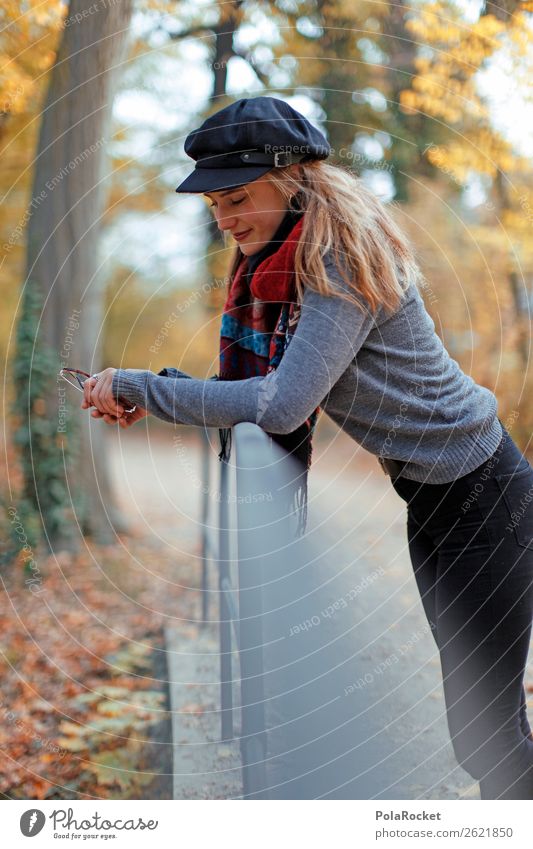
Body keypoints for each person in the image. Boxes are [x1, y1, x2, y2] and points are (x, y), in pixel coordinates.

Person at [82, 95, 533, 800]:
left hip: (487, 498)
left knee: (486, 731)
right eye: (213, 207)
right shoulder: (283, 266)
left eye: (236, 198)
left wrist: (144, 387)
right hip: (435, 503)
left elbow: (281, 401)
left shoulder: (336, 258)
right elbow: (271, 381)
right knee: (484, 726)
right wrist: (165, 387)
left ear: (291, 178)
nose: (225, 220)